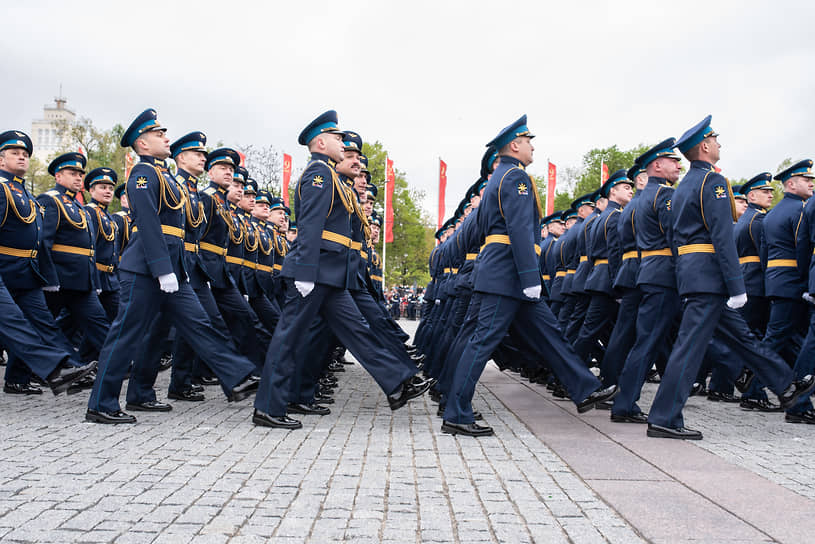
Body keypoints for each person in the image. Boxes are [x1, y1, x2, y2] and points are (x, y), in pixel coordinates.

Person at [253, 111, 430, 430]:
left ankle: (398, 383)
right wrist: (305, 272)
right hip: (314, 271)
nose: (342, 143)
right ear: (320, 142)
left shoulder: (329, 176)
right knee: (288, 338)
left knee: (358, 330)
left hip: (329, 273)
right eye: (336, 138)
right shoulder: (317, 173)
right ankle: (268, 408)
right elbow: (309, 226)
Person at [441, 115, 617, 437]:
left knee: (549, 332)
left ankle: (584, 387)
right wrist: (529, 276)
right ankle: (456, 411)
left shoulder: (499, 178)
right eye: (528, 141)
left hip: (499, 272)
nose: (532, 147)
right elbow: (520, 230)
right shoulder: (514, 179)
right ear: (514, 145)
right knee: (481, 342)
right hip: (507, 276)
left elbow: (482, 231)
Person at [646, 115, 815, 439]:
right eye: (716, 140)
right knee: (689, 348)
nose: (720, 144)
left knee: (742, 338)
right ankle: (664, 418)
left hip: (695, 275)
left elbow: (674, 237)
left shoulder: (681, 188)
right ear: (705, 146)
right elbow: (722, 237)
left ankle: (786, 386)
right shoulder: (713, 183)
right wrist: (736, 286)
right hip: (710, 278)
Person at [86, 109, 259, 424]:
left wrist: (172, 269)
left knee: (199, 324)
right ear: (142, 143)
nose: (166, 138)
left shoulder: (163, 174)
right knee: (125, 334)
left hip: (174, 270)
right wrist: (161, 268)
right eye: (159, 134)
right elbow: (149, 223)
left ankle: (238, 376)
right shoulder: (143, 174)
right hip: (145, 269)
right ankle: (101, 403)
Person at [0, 130, 96, 394]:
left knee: (44, 323)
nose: (22, 158)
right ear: (1, 160)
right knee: (14, 324)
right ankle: (55, 370)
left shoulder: (24, 193)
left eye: (25, 154)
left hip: (25, 273)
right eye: (14, 153)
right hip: (4, 268)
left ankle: (67, 369)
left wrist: (45, 275)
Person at [611, 138, 682, 424]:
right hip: (664, 274)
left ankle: (625, 402)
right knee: (648, 341)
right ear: (657, 165)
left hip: (648, 272)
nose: (679, 165)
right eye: (673, 161)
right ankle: (625, 403)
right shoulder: (663, 196)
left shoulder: (640, 200)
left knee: (647, 340)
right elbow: (673, 237)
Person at [38, 152, 111, 363]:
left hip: (81, 280)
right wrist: (49, 279)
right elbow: (45, 242)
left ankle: (119, 364)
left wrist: (93, 280)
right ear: (58, 176)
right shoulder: (50, 200)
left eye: (80, 174)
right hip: (59, 279)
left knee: (98, 322)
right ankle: (19, 377)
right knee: (42, 324)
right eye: (73, 173)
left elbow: (90, 249)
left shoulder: (79, 206)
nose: (78, 178)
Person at [84, 167, 120, 321]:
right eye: (103, 187)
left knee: (118, 316)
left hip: (110, 279)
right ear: (91, 191)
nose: (108, 191)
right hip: (95, 276)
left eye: (111, 188)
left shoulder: (108, 216)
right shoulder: (89, 212)